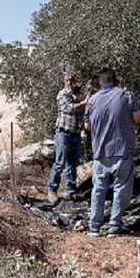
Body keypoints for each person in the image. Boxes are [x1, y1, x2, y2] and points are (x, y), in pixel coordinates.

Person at [84, 68, 140, 237]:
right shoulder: (126, 95)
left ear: (101, 83)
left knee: (98, 189)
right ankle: (114, 227)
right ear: (116, 81)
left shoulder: (92, 100)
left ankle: (94, 227)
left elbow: (87, 127)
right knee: (120, 189)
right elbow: (138, 118)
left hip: (100, 153)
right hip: (122, 151)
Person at [47, 71, 88, 203]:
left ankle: (70, 191)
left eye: (72, 80)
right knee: (60, 163)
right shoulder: (62, 94)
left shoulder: (76, 95)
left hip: (75, 134)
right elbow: (71, 109)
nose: (70, 83)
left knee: (72, 164)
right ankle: (52, 191)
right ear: (64, 81)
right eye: (68, 81)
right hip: (63, 134)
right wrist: (86, 102)